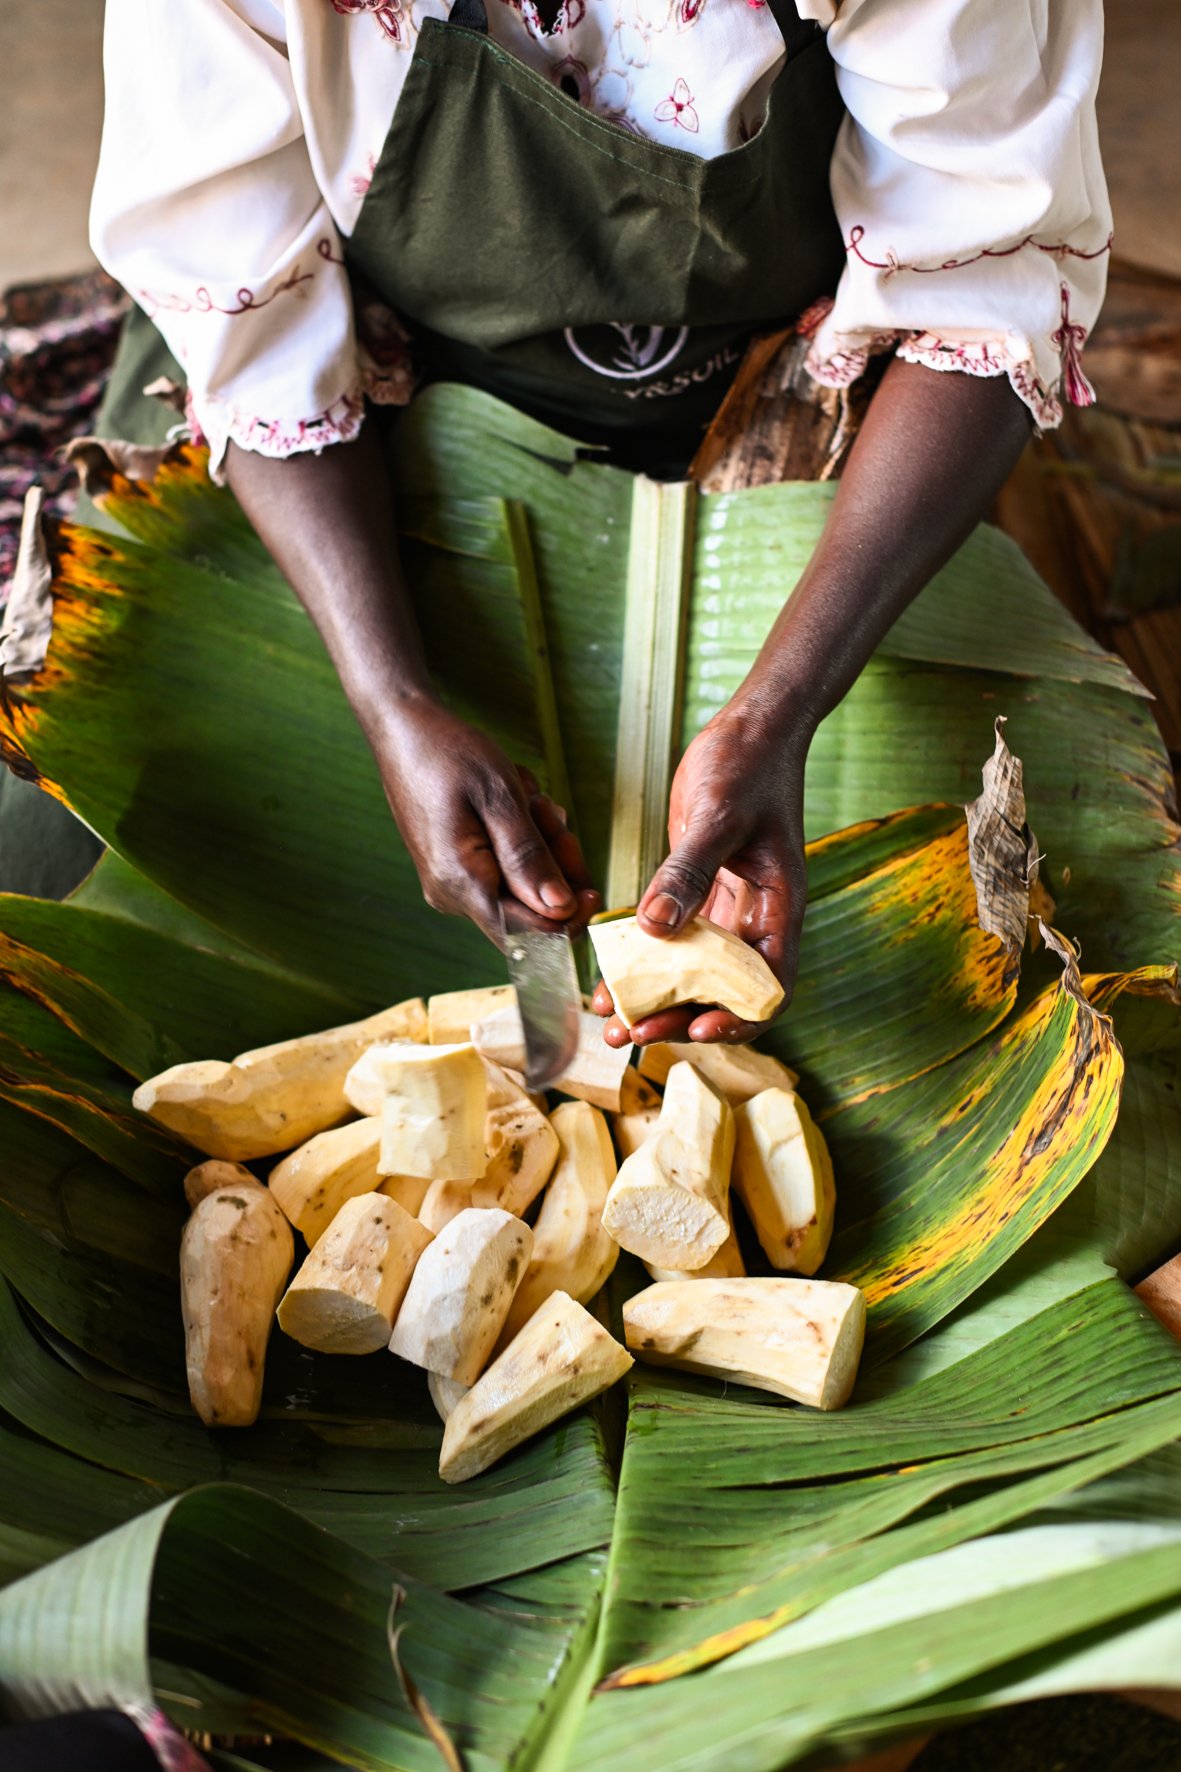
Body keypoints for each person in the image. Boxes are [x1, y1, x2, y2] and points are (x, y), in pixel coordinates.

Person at [89, 0, 1110, 1048]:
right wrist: (389, 697)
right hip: (372, 376)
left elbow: (982, 284)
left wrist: (775, 713)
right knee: (70, 851)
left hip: (800, 384)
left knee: (1053, 937)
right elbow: (248, 322)